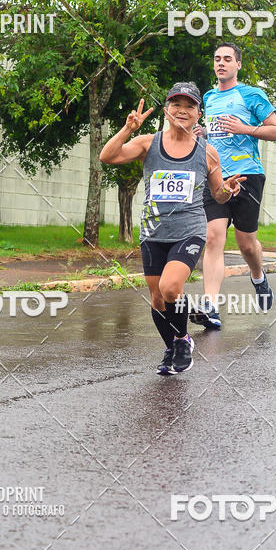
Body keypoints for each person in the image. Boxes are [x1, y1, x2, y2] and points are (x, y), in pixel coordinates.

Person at [99, 82, 245, 375]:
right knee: (157, 298)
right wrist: (128, 128)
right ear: (166, 110)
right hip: (153, 231)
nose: (182, 110)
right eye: (176, 104)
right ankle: (171, 349)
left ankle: (182, 339)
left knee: (170, 287)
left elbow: (217, 195)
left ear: (198, 114)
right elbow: (108, 157)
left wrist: (228, 191)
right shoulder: (147, 142)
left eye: (190, 105)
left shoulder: (208, 152)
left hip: (189, 230)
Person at [191, 43, 276, 330]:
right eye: (217, 59)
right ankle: (210, 307)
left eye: (227, 59)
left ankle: (258, 276)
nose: (221, 63)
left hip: (247, 176)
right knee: (213, 237)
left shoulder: (251, 95)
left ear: (238, 65)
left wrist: (245, 128)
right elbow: (216, 131)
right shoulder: (208, 96)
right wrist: (203, 133)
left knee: (246, 244)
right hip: (216, 176)